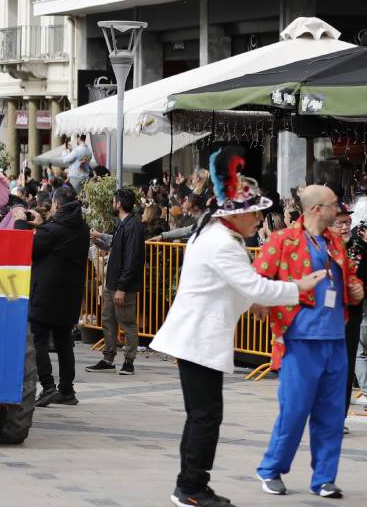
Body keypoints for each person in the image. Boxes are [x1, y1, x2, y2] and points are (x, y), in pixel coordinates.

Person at [151, 148, 324, 507]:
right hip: (198, 340)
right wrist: (300, 286)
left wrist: (256, 302)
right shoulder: (221, 244)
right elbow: (255, 285)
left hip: (196, 338)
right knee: (205, 416)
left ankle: (192, 483)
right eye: (257, 215)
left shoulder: (216, 236)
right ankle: (191, 488)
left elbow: (233, 288)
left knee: (202, 415)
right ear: (238, 214)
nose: (260, 222)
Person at [251, 185, 363, 499]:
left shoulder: (336, 243)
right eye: (334, 205)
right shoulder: (282, 240)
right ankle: (271, 470)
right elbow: (256, 278)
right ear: (316, 209)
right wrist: (259, 303)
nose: (339, 210)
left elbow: (350, 277)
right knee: (295, 410)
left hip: (335, 339)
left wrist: (355, 289)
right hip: (298, 340)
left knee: (331, 413)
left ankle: (324, 478)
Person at [31, 186, 90, 406]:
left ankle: (47, 387)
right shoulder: (82, 228)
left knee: (39, 340)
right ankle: (67, 390)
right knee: (64, 342)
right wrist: (44, 225)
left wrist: (21, 223)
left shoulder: (52, 230)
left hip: (46, 295)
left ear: (56, 204)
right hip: (70, 295)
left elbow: (31, 249)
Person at [87, 189, 144, 376]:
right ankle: (108, 358)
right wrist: (100, 243)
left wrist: (122, 288)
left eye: (114, 201)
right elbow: (117, 249)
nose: (113, 204)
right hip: (113, 283)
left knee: (127, 322)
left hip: (122, 286)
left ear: (119, 204)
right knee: (108, 320)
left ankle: (129, 362)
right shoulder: (123, 224)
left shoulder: (132, 226)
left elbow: (132, 259)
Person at [336, 208, 367, 410]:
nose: (345, 226)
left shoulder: (362, 249)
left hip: (352, 316)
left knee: (346, 366)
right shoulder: (318, 246)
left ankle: (339, 416)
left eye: (347, 222)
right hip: (321, 316)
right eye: (340, 223)